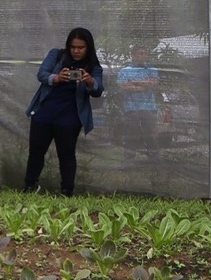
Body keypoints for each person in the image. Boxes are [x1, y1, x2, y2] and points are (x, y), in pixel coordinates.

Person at [23, 27, 104, 197]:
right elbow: (42, 74)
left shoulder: (94, 66)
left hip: (70, 117)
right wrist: (57, 78)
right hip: (44, 112)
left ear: (88, 47)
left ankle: (67, 191)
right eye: (73, 47)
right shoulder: (57, 55)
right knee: (36, 151)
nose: (76, 51)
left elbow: (98, 90)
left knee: (66, 155)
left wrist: (90, 81)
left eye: (80, 48)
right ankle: (30, 186)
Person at [116, 45, 160, 155]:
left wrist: (134, 83)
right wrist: (144, 84)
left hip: (149, 107)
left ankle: (154, 158)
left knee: (151, 133)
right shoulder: (125, 71)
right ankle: (129, 159)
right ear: (133, 55)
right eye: (140, 53)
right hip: (131, 107)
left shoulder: (152, 70)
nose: (143, 56)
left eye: (145, 53)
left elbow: (153, 84)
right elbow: (124, 86)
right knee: (131, 133)